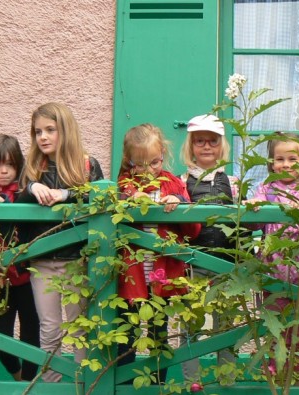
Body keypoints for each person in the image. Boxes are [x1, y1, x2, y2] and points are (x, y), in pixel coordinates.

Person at [15, 102, 104, 382]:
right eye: (37, 131)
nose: (42, 136)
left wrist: (65, 195)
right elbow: (17, 200)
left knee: (79, 328)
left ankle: (82, 384)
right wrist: (32, 187)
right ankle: (50, 385)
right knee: (50, 328)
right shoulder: (33, 167)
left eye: (50, 130)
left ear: (65, 130)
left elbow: (100, 199)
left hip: (77, 260)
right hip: (42, 260)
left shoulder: (87, 165)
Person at [116, 123, 200, 384]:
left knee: (158, 334)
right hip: (131, 278)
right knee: (126, 335)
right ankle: (123, 387)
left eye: (154, 162)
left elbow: (193, 230)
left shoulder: (173, 183)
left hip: (160, 278)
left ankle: (158, 386)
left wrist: (180, 204)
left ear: (162, 153)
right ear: (129, 161)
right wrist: (130, 200)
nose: (148, 170)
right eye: (140, 165)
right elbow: (112, 219)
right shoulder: (124, 184)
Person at [245, 132, 299, 381]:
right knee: (274, 325)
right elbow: (254, 224)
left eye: (293, 159)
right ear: (271, 163)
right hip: (273, 271)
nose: (286, 165)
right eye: (280, 159)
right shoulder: (266, 189)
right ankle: (276, 373)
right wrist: (254, 206)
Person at [178, 114, 238, 388]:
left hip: (225, 263)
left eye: (212, 141)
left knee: (226, 326)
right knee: (191, 325)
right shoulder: (181, 182)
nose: (206, 147)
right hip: (193, 264)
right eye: (199, 141)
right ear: (191, 146)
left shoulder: (233, 182)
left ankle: (226, 381)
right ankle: (193, 382)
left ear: (221, 145)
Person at [0, 134, 40, 381]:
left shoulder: (26, 190)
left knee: (31, 334)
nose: (4, 171)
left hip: (27, 275)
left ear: (19, 165)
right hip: (1, 278)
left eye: (10, 165)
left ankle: (29, 384)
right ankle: (18, 375)